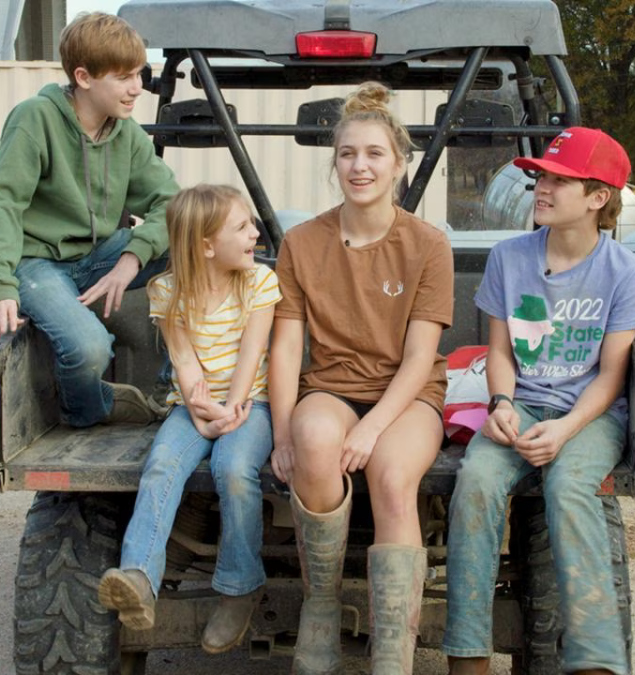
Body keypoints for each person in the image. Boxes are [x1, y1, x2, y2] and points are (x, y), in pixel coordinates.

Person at [441, 128, 635, 675]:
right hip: (522, 405)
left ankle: (595, 659)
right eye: (540, 176)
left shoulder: (625, 274)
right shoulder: (509, 258)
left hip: (589, 416)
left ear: (597, 198)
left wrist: (564, 431)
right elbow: (500, 352)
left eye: (559, 180)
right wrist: (500, 404)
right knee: (475, 484)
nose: (541, 188)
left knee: (569, 488)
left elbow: (613, 376)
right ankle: (467, 658)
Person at [268, 82, 454, 675]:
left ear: (399, 165)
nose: (360, 166)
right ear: (335, 163)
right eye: (348, 153)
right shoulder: (301, 242)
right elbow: (287, 344)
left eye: (374, 154)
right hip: (330, 385)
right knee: (315, 442)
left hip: (405, 394)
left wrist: (374, 428)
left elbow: (421, 356)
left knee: (394, 476)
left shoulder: (427, 245)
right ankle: (320, 610)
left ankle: (393, 651)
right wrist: (280, 434)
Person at [0, 11, 180, 428]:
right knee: (89, 350)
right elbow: (2, 204)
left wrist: (133, 258)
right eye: (124, 77)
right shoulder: (35, 119)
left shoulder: (128, 135)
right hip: (38, 264)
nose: (137, 87)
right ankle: (88, 413)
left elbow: (174, 205)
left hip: (99, 257)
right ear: (84, 77)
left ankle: (170, 386)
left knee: (198, 243)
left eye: (139, 74)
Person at [96, 184, 280, 653]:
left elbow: (252, 355)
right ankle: (139, 578)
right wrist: (201, 415)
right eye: (242, 227)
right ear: (205, 245)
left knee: (234, 470)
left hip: (251, 403)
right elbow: (184, 360)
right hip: (191, 405)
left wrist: (231, 410)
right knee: (162, 466)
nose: (254, 234)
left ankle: (238, 590)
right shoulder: (165, 290)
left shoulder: (259, 282)